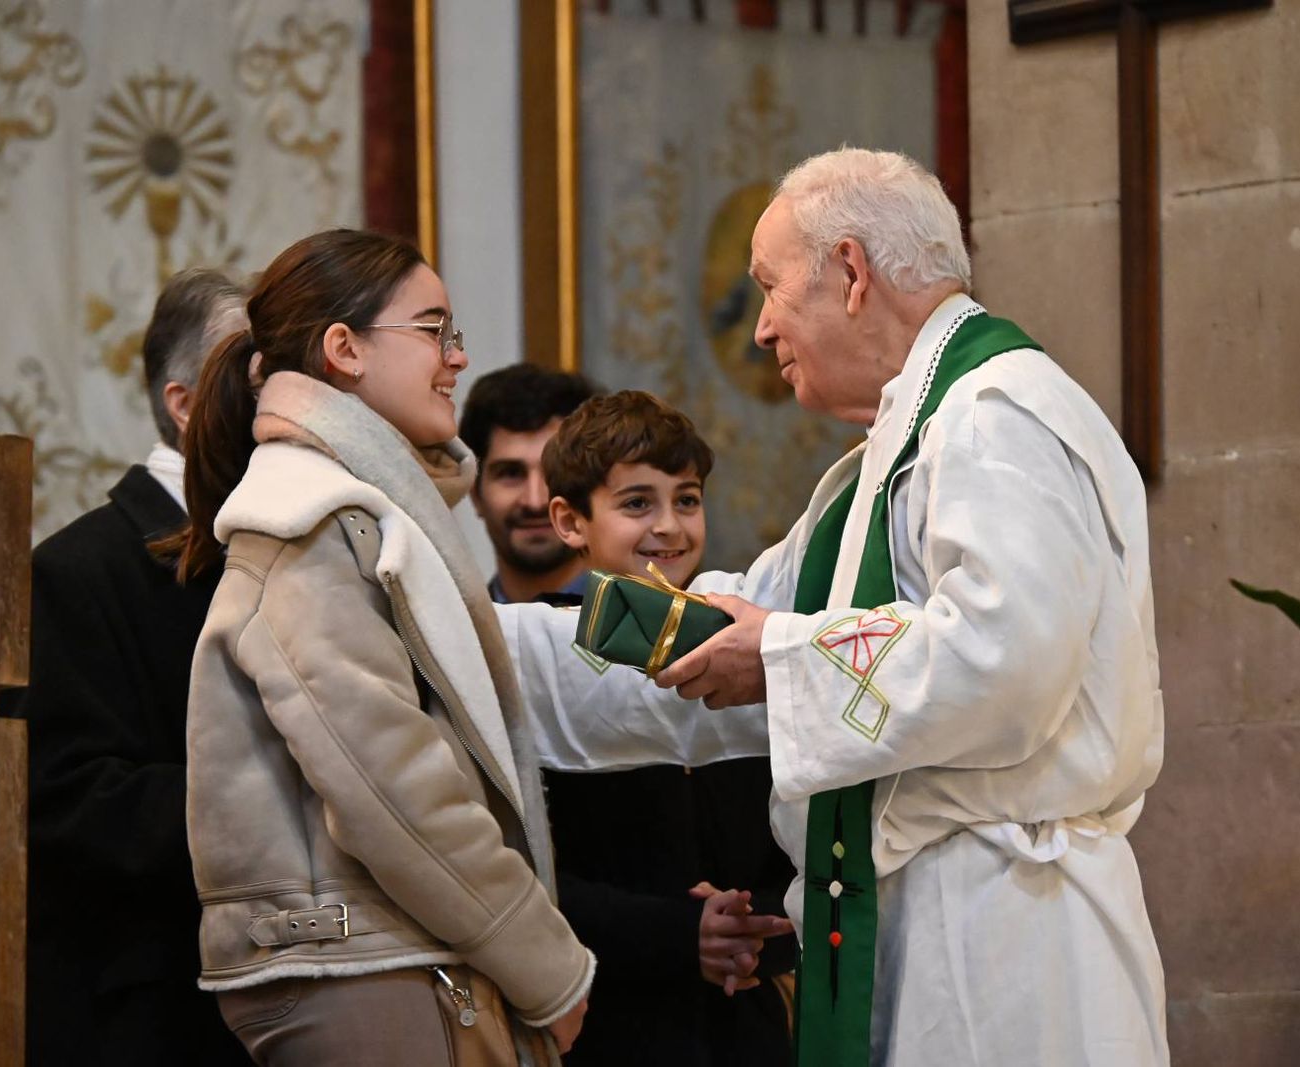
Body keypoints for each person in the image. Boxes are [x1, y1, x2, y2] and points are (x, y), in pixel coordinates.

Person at [501, 148, 1169, 1065]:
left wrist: (775, 657)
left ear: (851, 274)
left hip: (1005, 931)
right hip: (921, 915)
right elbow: (723, 629)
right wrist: (456, 639)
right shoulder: (884, 459)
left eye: (770, 289)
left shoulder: (996, 414)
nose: (763, 328)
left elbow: (1007, 659)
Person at [172, 228, 598, 1066]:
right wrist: (548, 965)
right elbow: (391, 789)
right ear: (344, 350)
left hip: (388, 960)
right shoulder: (309, 522)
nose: (456, 357)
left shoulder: (347, 515)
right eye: (432, 329)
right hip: (366, 966)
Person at [0, 268, 253, 1066]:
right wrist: (281, 800)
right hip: (146, 1012)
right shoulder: (74, 570)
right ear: (184, 405)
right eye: (258, 378)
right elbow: (65, 798)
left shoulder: (284, 556)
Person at [537, 390, 796, 1066]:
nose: (670, 527)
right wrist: (680, 932)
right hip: (610, 1026)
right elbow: (526, 874)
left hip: (746, 1029)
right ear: (570, 520)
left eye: (686, 499)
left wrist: (755, 922)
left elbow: (794, 839)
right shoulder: (537, 654)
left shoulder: (743, 649)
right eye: (636, 504)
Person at [458, 363, 600, 604]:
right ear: (475, 494)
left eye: (555, 472)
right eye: (511, 473)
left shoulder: (656, 632)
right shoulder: (451, 635)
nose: (536, 501)